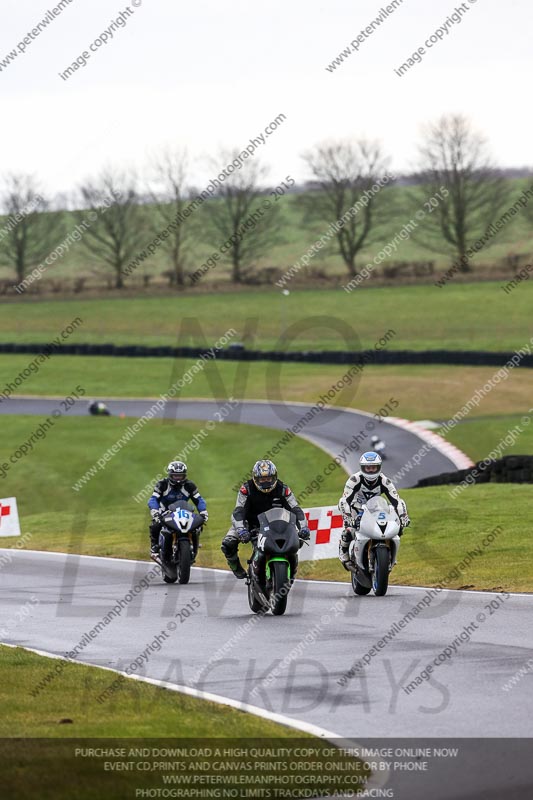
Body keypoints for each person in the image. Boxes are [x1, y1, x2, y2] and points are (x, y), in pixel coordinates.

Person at [221, 459, 310, 579]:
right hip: (249, 524)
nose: (266, 482)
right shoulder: (246, 489)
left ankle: (291, 570)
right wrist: (241, 529)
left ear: (275, 477)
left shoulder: (283, 488)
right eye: (262, 479)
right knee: (228, 543)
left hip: (276, 524)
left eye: (269, 478)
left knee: (296, 540)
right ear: (255, 478)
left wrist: (304, 527)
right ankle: (235, 565)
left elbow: (296, 509)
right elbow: (238, 511)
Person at [338, 451, 410, 571]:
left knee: (398, 528)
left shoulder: (385, 481)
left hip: (375, 508)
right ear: (362, 467)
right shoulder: (354, 480)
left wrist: (403, 516)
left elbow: (397, 500)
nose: (371, 470)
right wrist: (348, 516)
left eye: (373, 467)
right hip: (356, 508)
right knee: (349, 530)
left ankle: (391, 554)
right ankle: (343, 554)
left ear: (379, 467)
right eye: (368, 468)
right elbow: (344, 500)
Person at [148, 461, 208, 556]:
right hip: (165, 512)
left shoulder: (190, 485)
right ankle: (154, 546)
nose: (178, 478)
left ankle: (193, 543)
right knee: (155, 524)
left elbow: (199, 500)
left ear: (184, 475)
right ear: (170, 475)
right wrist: (155, 512)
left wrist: (203, 512)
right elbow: (153, 499)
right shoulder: (162, 484)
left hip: (183, 511)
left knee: (198, 525)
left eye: (180, 476)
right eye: (175, 476)